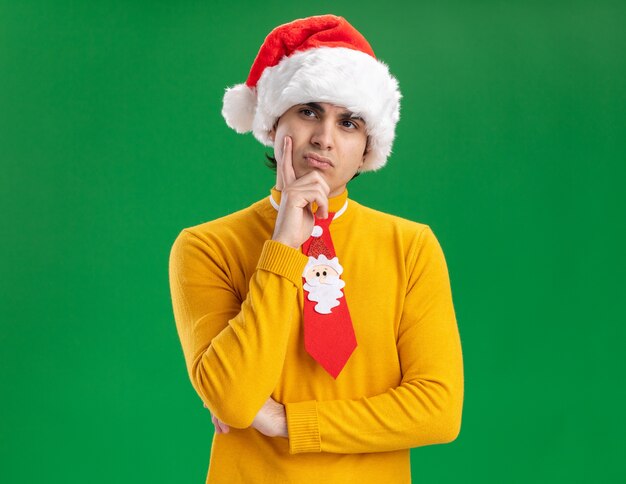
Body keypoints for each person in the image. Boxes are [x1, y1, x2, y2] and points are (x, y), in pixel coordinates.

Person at [169, 14, 464, 484]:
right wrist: (284, 242)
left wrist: (291, 424)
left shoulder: (410, 247)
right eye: (308, 110)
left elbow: (437, 410)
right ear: (273, 121)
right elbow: (235, 399)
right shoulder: (207, 247)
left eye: (348, 122)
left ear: (368, 145)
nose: (325, 137)